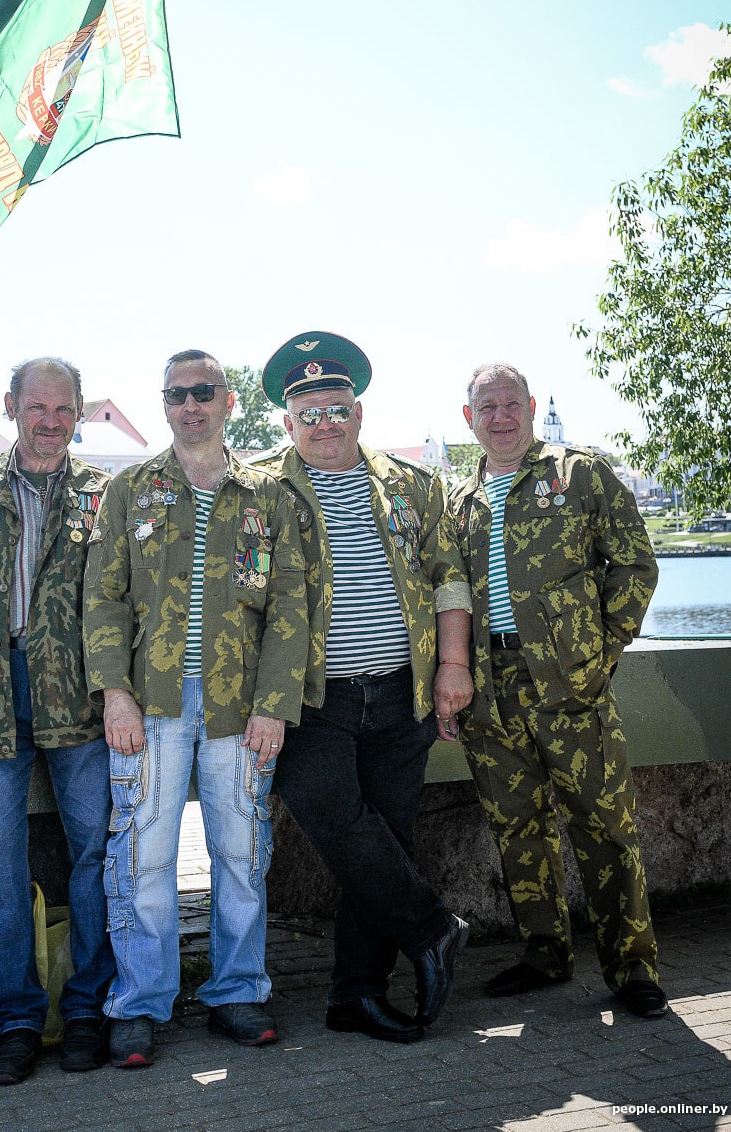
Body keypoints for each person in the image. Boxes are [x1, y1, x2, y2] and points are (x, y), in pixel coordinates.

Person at [83, 350, 309, 1068]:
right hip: (148, 704)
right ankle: (140, 1001)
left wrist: (273, 706)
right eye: (176, 394)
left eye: (202, 391)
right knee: (140, 854)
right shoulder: (129, 491)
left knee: (241, 855)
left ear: (227, 401)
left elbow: (289, 611)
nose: (190, 405)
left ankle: (237, 991)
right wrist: (113, 692)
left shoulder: (268, 494)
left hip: (238, 707)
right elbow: (103, 598)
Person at [253, 331, 473, 1044]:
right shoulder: (258, 488)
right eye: (308, 413)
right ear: (287, 423)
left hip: (400, 690)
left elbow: (448, 578)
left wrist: (451, 665)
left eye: (336, 409)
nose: (324, 424)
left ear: (358, 413)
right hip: (311, 697)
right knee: (333, 816)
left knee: (383, 839)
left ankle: (355, 995)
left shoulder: (411, 484)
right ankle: (433, 928)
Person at [452, 362, 666, 1017]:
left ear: (530, 406)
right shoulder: (458, 502)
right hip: (490, 693)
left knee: (604, 830)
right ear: (468, 419)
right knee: (517, 830)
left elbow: (633, 565)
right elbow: (448, 597)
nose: (499, 416)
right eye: (485, 406)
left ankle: (630, 968)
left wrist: (598, 653)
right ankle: (543, 955)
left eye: (509, 402)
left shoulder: (580, 474)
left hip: (571, 686)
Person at [0, 357, 115, 1086]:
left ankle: (87, 1010)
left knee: (97, 853)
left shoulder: (107, 496)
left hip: (78, 691)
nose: (49, 420)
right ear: (11, 407)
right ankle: (13, 1019)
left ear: (81, 414)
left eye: (63, 408)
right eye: (36, 406)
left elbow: (127, 602)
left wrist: (119, 690)